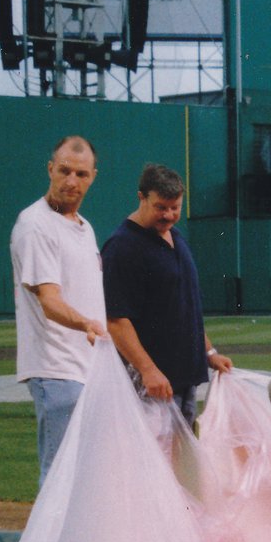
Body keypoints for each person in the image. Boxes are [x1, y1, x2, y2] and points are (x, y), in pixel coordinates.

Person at [100, 163, 231, 444]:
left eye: (175, 207)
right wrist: (148, 370)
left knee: (181, 465)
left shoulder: (176, 237)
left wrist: (210, 353)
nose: (169, 215)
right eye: (161, 207)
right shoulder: (122, 247)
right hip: (150, 384)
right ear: (141, 197)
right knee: (149, 464)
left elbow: (185, 309)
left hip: (184, 378)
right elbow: (116, 321)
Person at [9, 135, 107, 484]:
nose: (71, 181)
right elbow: (49, 302)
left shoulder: (84, 227)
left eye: (81, 174)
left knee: (84, 473)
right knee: (59, 475)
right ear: (50, 170)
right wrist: (88, 324)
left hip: (86, 368)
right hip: (57, 368)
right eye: (64, 171)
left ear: (93, 176)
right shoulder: (35, 224)